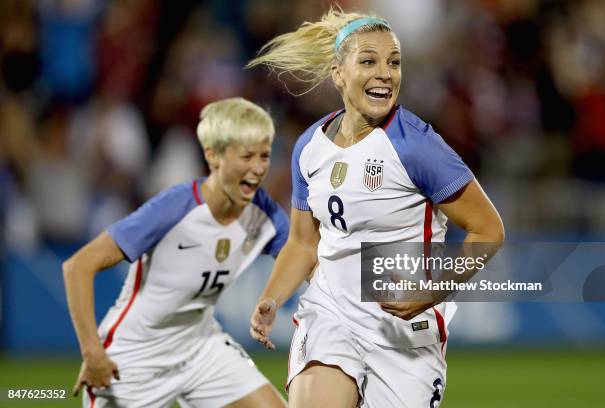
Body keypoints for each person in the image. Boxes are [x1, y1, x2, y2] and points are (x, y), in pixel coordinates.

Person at [246, 9, 505, 408]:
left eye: (394, 62)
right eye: (368, 61)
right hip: (330, 314)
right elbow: (302, 243)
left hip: (403, 332)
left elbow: (488, 230)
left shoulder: (417, 147)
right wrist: (271, 298)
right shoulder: (310, 147)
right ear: (338, 73)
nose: (385, 73)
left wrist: (432, 290)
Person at [63, 97, 289, 408]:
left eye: (265, 156)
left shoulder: (264, 213)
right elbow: (78, 266)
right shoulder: (173, 208)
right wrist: (92, 352)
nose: (258, 168)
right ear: (213, 155)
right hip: (136, 355)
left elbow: (305, 257)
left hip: (201, 346)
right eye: (247, 156)